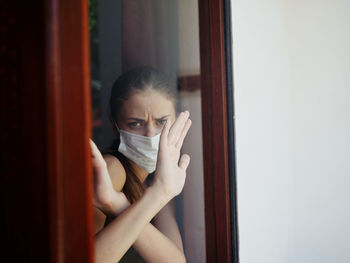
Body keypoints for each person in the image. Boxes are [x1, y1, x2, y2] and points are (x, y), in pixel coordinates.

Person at [91, 67, 192, 263]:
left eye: (162, 122)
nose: (150, 134)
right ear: (115, 125)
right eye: (136, 124)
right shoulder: (113, 170)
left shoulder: (156, 178)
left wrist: (121, 206)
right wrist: (158, 193)